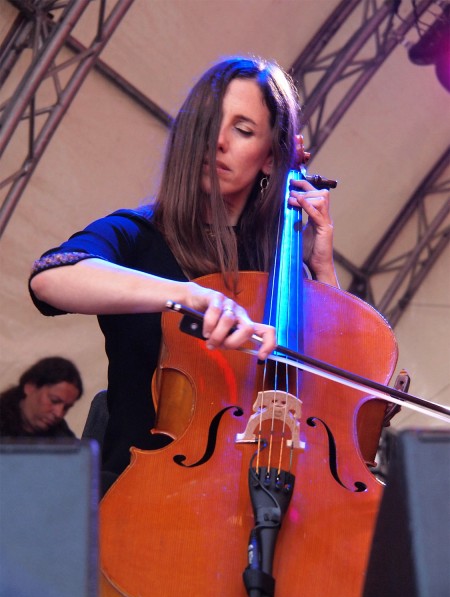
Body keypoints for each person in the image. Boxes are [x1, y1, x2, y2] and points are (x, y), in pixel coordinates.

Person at [28, 56, 338, 481]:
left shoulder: (282, 273)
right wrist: (190, 295)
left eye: (243, 130)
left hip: (248, 492)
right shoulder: (139, 233)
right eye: (207, 126)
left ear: (270, 157)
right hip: (139, 492)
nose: (219, 143)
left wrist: (322, 269)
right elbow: (51, 276)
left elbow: (330, 397)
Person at [0, 356, 83, 438]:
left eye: (66, 408)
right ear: (30, 387)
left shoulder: (62, 435)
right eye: (54, 401)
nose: (59, 413)